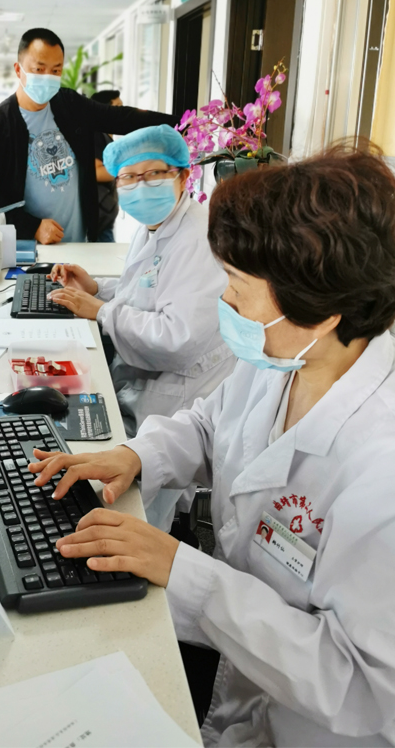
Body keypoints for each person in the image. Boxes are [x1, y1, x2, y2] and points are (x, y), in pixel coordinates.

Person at [30, 144, 395, 746]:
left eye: (236, 284)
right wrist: (137, 455)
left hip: (309, 728)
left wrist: (183, 570)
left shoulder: (384, 469)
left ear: (321, 310)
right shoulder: (286, 356)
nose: (223, 300)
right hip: (241, 675)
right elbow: (210, 424)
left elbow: (359, 685)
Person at [49, 123, 235, 530]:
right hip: (146, 380)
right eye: (129, 178)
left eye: (154, 174)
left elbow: (177, 338)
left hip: (176, 392)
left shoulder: (198, 237)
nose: (140, 186)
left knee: (133, 515)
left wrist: (101, 310)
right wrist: (98, 288)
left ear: (184, 175)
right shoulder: (157, 227)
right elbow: (145, 290)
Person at [0, 28, 174, 244]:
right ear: (19, 70)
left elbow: (119, 117)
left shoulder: (69, 105)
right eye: (39, 69)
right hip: (29, 249)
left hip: (81, 243)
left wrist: (181, 124)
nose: (47, 77)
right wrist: (31, 227)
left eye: (55, 70)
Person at [91, 89, 121, 243]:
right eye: (118, 107)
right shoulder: (97, 135)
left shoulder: (106, 138)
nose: (123, 112)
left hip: (105, 217)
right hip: (99, 219)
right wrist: (124, 170)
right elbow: (96, 172)